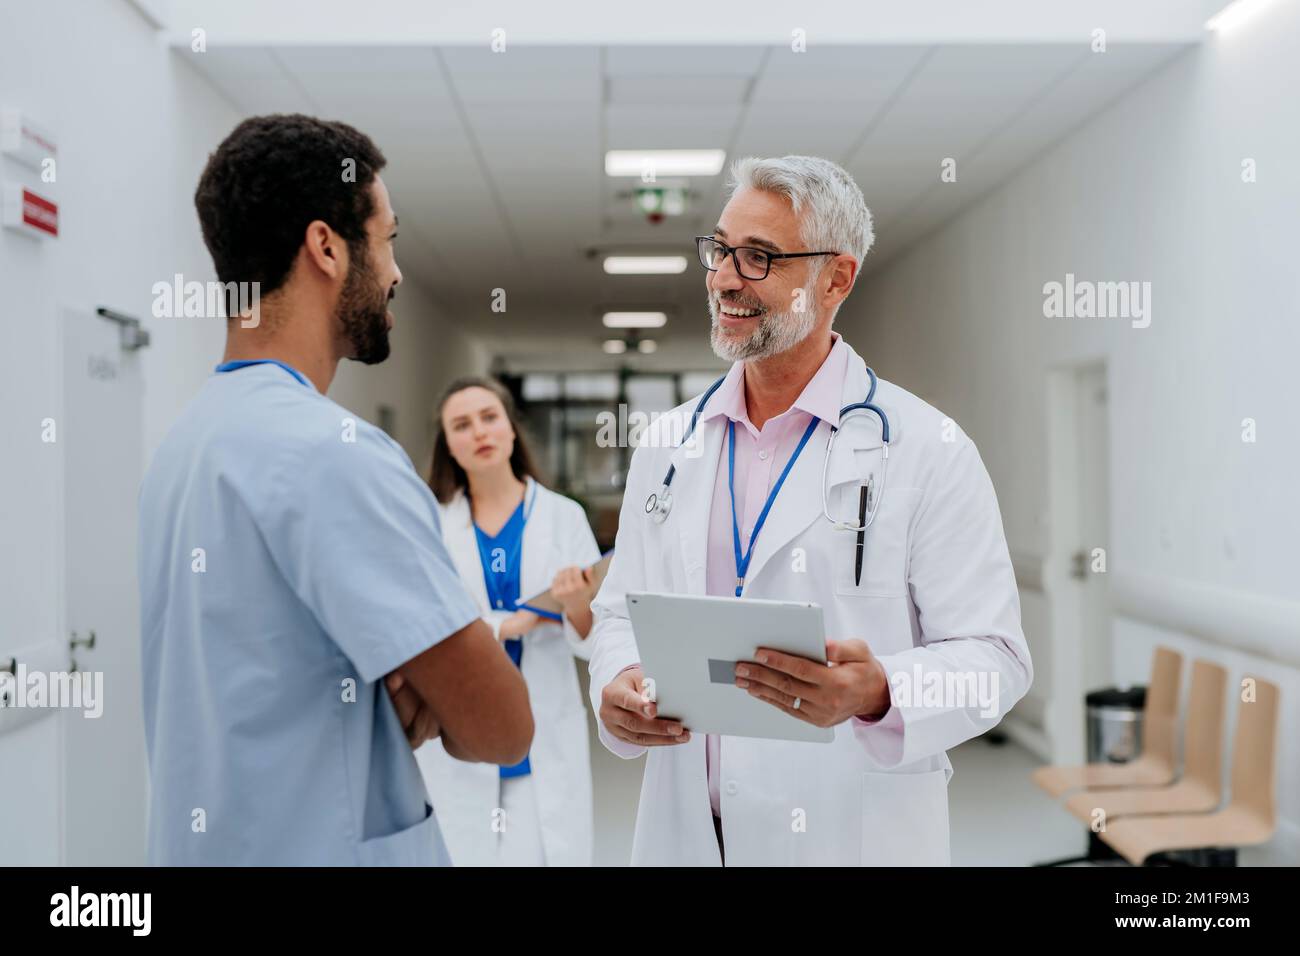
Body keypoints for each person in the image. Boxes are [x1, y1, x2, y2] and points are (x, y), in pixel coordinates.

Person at [589, 155, 1033, 866]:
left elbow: (997, 659)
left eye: (760, 257)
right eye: (722, 249)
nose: (726, 278)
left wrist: (879, 689)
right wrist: (616, 681)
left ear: (836, 279)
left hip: (847, 832)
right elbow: (619, 612)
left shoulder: (928, 449)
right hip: (688, 834)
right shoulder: (669, 442)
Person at [138, 114, 532, 866]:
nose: (396, 273)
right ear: (326, 247)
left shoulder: (181, 449)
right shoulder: (336, 454)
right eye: (388, 240)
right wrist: (420, 682)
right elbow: (501, 726)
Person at [416, 377, 602, 866]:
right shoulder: (429, 524)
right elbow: (423, 622)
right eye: (461, 424)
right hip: (460, 732)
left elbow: (596, 637)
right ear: (449, 445)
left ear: (512, 430)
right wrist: (509, 626)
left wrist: (578, 604)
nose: (479, 431)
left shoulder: (564, 518)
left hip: (541, 733)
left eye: (489, 417)